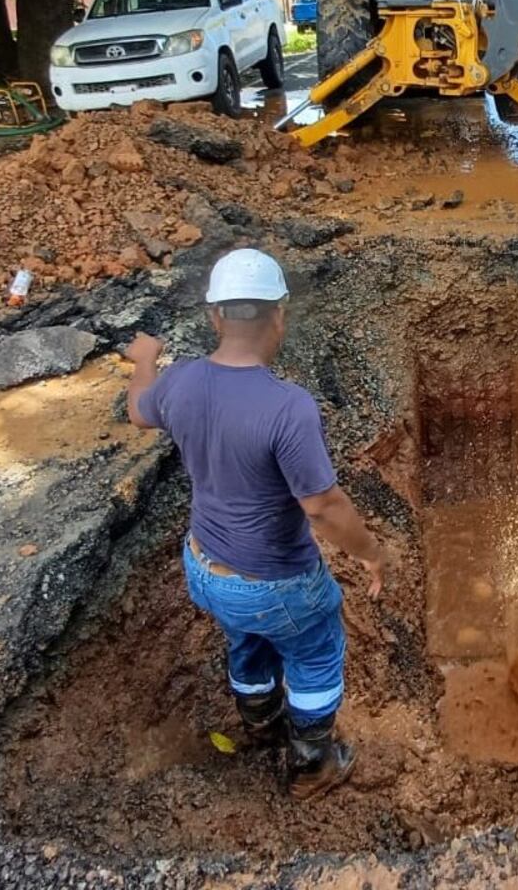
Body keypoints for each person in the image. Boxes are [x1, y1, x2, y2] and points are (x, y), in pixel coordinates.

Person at [124, 248, 388, 799]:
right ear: (280, 314)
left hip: (204, 570)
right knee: (315, 655)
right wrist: (369, 552)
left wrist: (144, 359)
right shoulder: (287, 407)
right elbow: (322, 507)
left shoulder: (181, 382)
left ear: (215, 316)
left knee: (246, 642)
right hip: (277, 582)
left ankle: (260, 724)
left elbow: (139, 409)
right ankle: (313, 763)